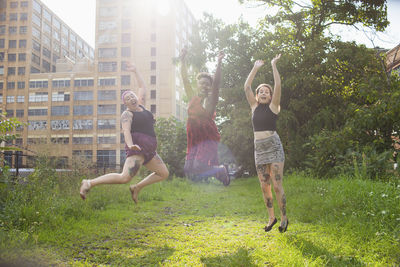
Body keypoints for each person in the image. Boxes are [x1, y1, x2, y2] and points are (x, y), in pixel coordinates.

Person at [79, 63, 169, 203]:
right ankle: (89, 182)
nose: (131, 98)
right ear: (125, 104)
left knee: (163, 173)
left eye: (132, 96)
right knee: (124, 177)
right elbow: (126, 131)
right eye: (127, 99)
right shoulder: (127, 114)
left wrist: (136, 71)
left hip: (150, 151)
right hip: (137, 149)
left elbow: (142, 87)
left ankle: (137, 187)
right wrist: (131, 145)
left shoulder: (142, 107)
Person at [244, 54, 288, 232]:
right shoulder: (254, 107)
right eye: (260, 91)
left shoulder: (273, 107)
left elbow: (278, 85)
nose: (263, 92)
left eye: (266, 91)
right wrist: (255, 67)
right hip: (259, 149)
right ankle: (272, 218)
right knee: (265, 186)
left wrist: (273, 65)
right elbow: (246, 86)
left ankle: (284, 218)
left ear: (270, 96)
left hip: (274, 147)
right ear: (257, 95)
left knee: (277, 185)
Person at [179, 48, 230, 186]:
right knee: (189, 169)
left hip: (207, 137)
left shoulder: (211, 100)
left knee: (197, 166)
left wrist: (219, 63)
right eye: (202, 83)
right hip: (193, 137)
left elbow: (217, 83)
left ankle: (221, 169)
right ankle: (221, 174)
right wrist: (182, 60)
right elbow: (184, 78)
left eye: (207, 84)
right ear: (197, 85)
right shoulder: (192, 97)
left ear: (210, 87)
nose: (204, 85)